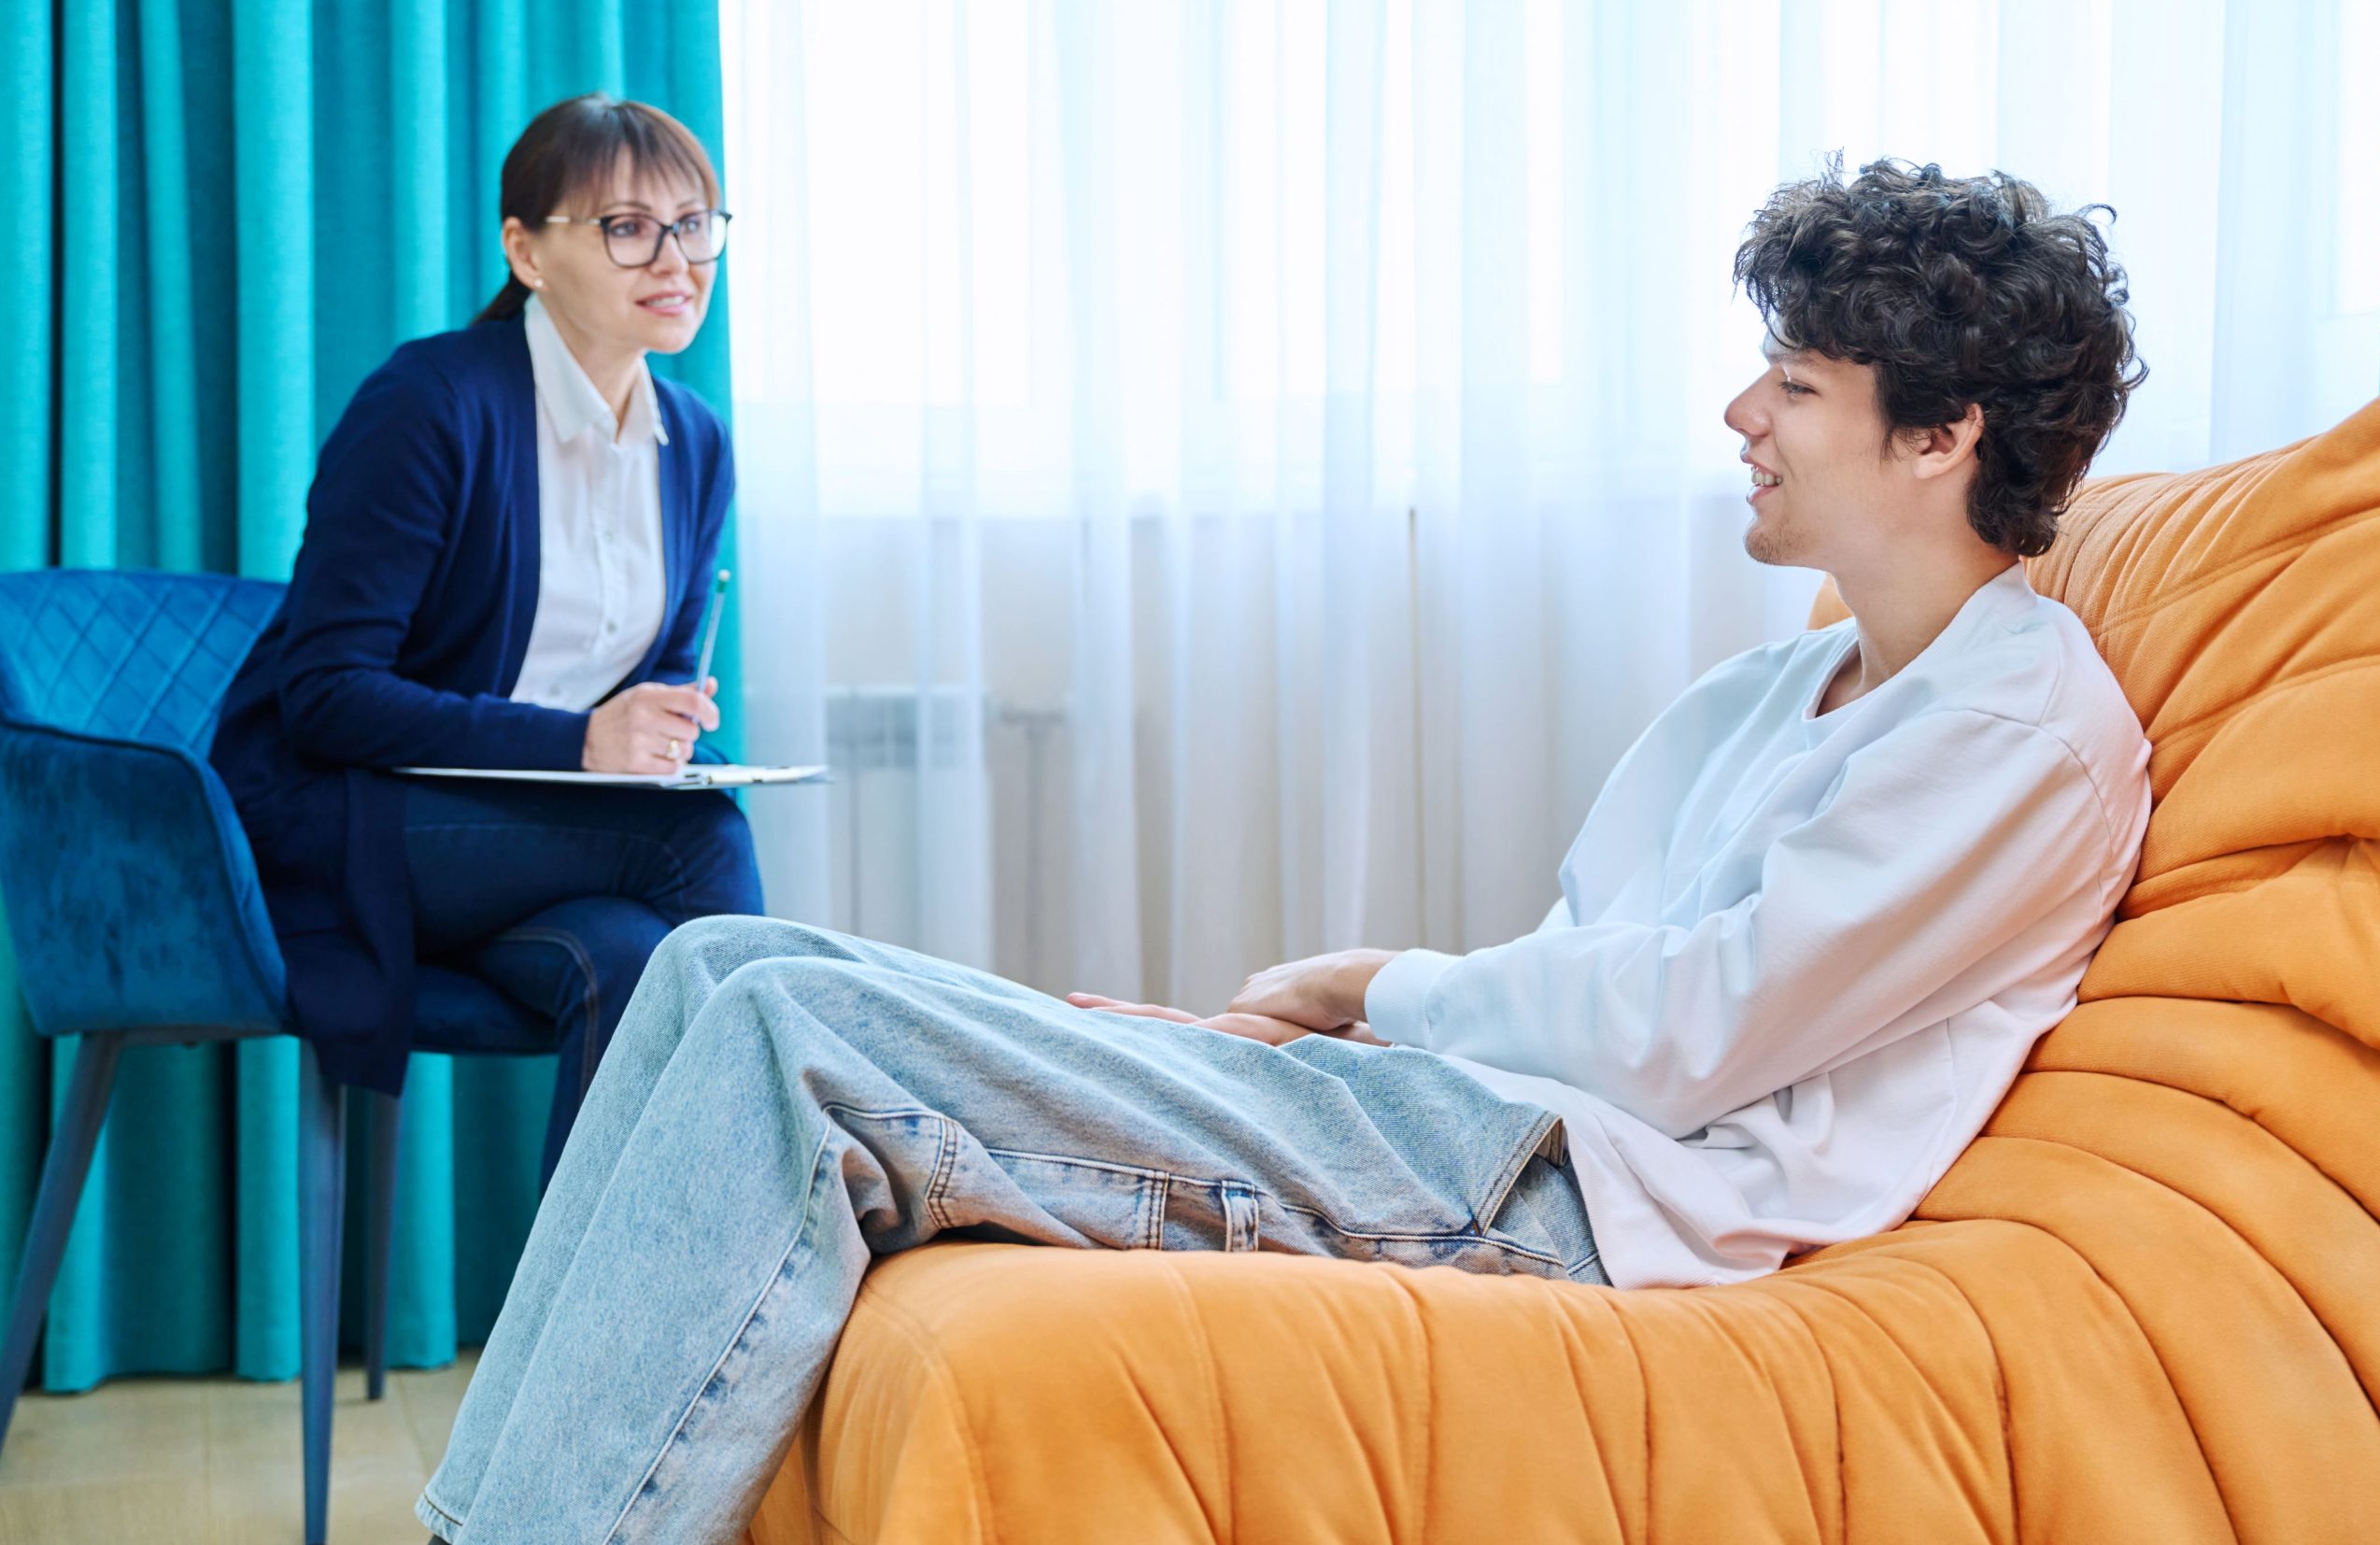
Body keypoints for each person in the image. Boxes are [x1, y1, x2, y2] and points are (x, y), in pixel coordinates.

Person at [418, 159, 2152, 1544]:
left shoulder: (2014, 734)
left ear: (1941, 437)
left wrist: (1363, 984)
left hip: (1590, 1203)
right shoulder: (1781, 685)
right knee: (728, 962)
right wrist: (1292, 1044)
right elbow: (1583, 957)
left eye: (1794, 381)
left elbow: (1695, 1034)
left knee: (792, 1034)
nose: (1737, 414)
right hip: (1468, 1127)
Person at [211, 94, 763, 1187]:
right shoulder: (432, 402)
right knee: (694, 839)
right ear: (527, 249)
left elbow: (648, 690)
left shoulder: (693, 445)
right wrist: (583, 747)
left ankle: (584, 1349)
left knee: (634, 961)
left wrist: (650, 737)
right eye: (626, 227)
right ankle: (788, 1248)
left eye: (695, 224)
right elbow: (324, 694)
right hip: (344, 819)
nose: (676, 258)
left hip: (525, 845)